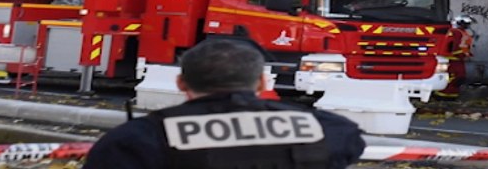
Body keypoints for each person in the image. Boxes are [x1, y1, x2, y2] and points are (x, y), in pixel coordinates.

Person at [83, 39, 365, 169]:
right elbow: (351, 142)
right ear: (261, 84)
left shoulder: (138, 139)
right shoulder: (327, 129)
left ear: (181, 83)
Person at [437, 15, 475, 100]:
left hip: (459, 59)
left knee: (459, 77)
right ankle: (443, 96)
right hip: (453, 59)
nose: (467, 26)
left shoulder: (461, 32)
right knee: (454, 77)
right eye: (465, 24)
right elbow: (452, 46)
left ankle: (452, 95)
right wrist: (457, 54)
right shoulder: (455, 32)